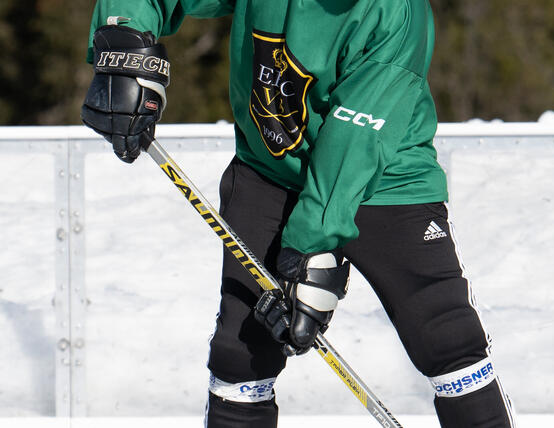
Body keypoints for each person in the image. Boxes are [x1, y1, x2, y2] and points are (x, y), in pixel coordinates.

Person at [81, 1, 517, 427]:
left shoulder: (396, 13)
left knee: (446, 336)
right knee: (241, 352)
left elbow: (353, 142)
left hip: (386, 181)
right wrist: (122, 39)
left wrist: (306, 251)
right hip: (269, 172)